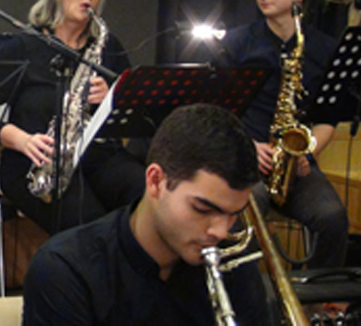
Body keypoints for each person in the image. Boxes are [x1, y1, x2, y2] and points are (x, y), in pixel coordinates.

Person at [23, 103, 270, 325]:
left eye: (233, 214)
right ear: (155, 181)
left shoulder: (235, 269)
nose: (221, 231)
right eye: (202, 209)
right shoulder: (66, 272)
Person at [0, 0, 142, 234]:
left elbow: (131, 114)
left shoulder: (108, 47)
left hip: (97, 156)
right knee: (90, 226)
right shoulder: (22, 46)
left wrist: (112, 97)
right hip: (35, 163)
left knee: (146, 193)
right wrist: (24, 140)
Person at [216, 0, 347, 269]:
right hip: (247, 158)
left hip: (294, 164)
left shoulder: (324, 48)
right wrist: (247, 145)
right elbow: (216, 112)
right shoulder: (237, 43)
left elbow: (328, 119)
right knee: (248, 211)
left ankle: (319, 295)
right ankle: (246, 291)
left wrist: (306, 152)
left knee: (332, 217)